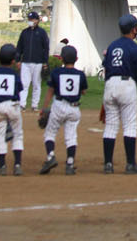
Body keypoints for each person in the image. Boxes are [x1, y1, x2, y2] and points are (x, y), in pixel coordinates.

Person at [102, 13, 137, 173]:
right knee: (129, 126)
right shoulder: (136, 49)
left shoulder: (112, 46)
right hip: (127, 85)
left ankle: (108, 164)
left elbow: (106, 69)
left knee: (111, 126)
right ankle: (130, 164)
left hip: (110, 84)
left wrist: (105, 99)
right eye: (136, 27)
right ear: (133, 29)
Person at [39, 43, 88, 176]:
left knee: (50, 133)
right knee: (71, 136)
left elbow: (50, 91)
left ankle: (50, 157)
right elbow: (83, 91)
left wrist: (44, 108)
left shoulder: (56, 72)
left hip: (59, 106)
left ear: (61, 58)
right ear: (76, 59)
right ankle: (70, 164)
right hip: (74, 109)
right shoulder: (80, 74)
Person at [0, 43, 25, 174]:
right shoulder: (14, 74)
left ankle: (2, 166)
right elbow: (19, 90)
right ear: (13, 60)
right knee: (17, 135)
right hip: (13, 105)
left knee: (0, 136)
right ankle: (17, 165)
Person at [16, 10, 50, 112]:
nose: (30, 21)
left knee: (36, 84)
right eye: (29, 19)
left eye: (32, 19)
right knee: (24, 84)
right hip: (26, 62)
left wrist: (45, 62)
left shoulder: (42, 33)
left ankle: (35, 105)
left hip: (38, 62)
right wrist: (18, 60)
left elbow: (46, 48)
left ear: (37, 20)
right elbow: (19, 47)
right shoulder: (24, 32)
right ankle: (22, 104)